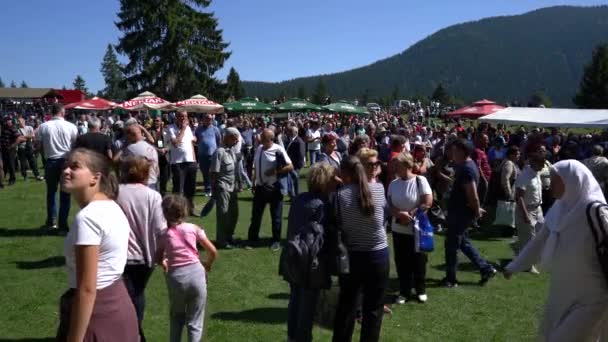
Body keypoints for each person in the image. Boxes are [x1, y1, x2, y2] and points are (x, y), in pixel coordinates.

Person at [504, 160, 608, 341]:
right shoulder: (558, 210)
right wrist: (514, 266)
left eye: (555, 180)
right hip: (563, 293)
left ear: (572, 180)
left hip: (592, 297)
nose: (550, 185)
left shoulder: (595, 211)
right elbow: (539, 242)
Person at [56, 148, 138, 341]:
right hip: (119, 302)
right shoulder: (111, 206)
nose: (66, 171)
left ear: (95, 178)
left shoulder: (88, 218)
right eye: (65, 166)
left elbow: (87, 288)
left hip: (97, 311)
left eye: (74, 167)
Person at [331, 156, 389, 342]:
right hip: (378, 255)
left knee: (346, 307)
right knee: (373, 310)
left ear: (344, 172)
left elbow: (339, 225)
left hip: (353, 256)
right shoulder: (379, 189)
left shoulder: (340, 195)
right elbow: (383, 220)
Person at [281, 163, 336, 342]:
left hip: (293, 256)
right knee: (307, 305)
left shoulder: (299, 199)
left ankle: (292, 336)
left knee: (295, 299)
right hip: (311, 261)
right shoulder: (322, 206)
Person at [116, 156, 166, 341]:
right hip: (145, 257)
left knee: (128, 297)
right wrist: (161, 255)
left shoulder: (115, 193)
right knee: (136, 294)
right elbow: (161, 229)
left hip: (119, 256)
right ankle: (134, 332)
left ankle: (133, 333)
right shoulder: (153, 196)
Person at [156, 194, 217, 342]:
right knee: (195, 321)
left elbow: (158, 257)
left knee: (176, 316)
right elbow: (213, 251)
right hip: (197, 273)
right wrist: (207, 264)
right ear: (185, 211)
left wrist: (164, 263)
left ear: (164, 214)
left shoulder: (164, 235)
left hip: (176, 277)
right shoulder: (193, 228)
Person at [443, 139, 496, 287]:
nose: (451, 153)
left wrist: (476, 210)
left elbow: (472, 195)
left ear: (462, 151)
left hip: (461, 213)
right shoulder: (465, 165)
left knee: (452, 245)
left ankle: (451, 279)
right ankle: (486, 268)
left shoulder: (466, 169)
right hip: (459, 211)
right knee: (463, 243)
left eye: (454, 150)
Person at [387, 152, 433, 304]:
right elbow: (389, 204)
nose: (395, 168)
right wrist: (399, 214)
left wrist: (410, 215)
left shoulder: (420, 180)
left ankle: (420, 290)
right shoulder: (394, 183)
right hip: (398, 229)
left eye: (397, 165)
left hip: (417, 229)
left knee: (418, 260)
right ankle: (404, 291)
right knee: (401, 261)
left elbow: (427, 201)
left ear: (407, 165)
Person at [247, 129, 293, 251]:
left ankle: (276, 240)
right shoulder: (259, 148)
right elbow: (256, 167)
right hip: (260, 187)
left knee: (276, 216)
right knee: (256, 215)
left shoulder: (278, 149)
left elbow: (290, 166)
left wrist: (275, 171)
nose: (260, 139)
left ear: (270, 139)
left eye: (262, 137)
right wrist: (253, 182)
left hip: (274, 187)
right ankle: (252, 239)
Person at [37, 103, 78, 232]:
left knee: (51, 192)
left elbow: (38, 146)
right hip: (66, 161)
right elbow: (75, 146)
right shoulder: (71, 126)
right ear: (62, 112)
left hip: (51, 161)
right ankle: (63, 224)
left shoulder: (43, 126)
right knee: (65, 193)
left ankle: (52, 222)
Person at [513, 144, 546, 274]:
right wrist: (525, 214)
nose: (543, 166)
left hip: (538, 209)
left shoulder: (536, 173)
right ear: (533, 162)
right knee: (529, 238)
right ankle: (527, 265)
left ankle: (518, 249)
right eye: (541, 164)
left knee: (539, 235)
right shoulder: (525, 175)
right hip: (527, 209)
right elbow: (519, 197)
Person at [210, 127, 240, 249]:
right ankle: (221, 240)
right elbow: (213, 173)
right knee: (223, 214)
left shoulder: (231, 151)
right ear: (228, 137)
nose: (237, 141)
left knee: (234, 214)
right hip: (222, 188)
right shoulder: (219, 152)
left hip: (232, 188)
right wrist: (215, 190)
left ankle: (229, 236)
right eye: (235, 139)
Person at [166, 110, 198, 215]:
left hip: (190, 161)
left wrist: (194, 158)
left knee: (191, 188)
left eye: (185, 116)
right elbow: (176, 143)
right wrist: (183, 129)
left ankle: (190, 209)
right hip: (178, 162)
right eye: (181, 116)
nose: (183, 118)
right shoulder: (170, 128)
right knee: (178, 189)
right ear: (176, 117)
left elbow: (191, 143)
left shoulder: (189, 128)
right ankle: (177, 211)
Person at [121, 124, 160, 190]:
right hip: (153, 181)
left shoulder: (130, 148)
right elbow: (157, 170)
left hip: (141, 183)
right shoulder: (151, 147)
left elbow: (117, 161)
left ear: (130, 136)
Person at [195, 114, 221, 197]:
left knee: (214, 173)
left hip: (213, 154)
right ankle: (208, 189)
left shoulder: (215, 129)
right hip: (202, 155)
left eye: (210, 118)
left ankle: (215, 189)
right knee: (205, 173)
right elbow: (196, 140)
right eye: (207, 118)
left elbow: (218, 141)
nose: (209, 120)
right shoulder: (198, 129)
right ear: (203, 119)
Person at [1, 117, 25, 185]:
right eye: (8, 121)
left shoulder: (12, 128)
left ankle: (12, 179)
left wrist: (13, 145)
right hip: (4, 149)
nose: (9, 122)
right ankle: (3, 178)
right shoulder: (4, 128)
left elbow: (19, 138)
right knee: (5, 164)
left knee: (11, 164)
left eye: (10, 121)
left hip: (10, 149)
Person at [285, 126, 306, 198]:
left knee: (294, 180)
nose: (289, 132)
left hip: (295, 165)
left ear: (296, 132)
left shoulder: (299, 141)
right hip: (290, 164)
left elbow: (301, 154)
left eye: (291, 131)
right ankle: (293, 196)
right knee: (291, 180)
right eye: (289, 131)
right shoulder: (291, 140)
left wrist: (299, 165)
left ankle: (296, 196)